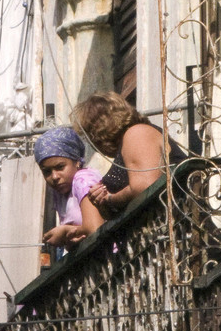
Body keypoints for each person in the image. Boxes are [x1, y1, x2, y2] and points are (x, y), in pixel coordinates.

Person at [72, 92, 176, 232]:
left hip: (179, 230)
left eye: (89, 135)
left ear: (98, 130)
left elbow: (144, 186)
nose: (92, 143)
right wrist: (102, 202)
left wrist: (110, 199)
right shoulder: (127, 145)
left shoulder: (137, 133)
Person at [33, 126, 102, 256]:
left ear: (76, 162)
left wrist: (65, 232)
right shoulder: (60, 192)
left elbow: (95, 229)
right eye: (46, 172)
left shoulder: (83, 180)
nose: (54, 177)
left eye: (60, 167)